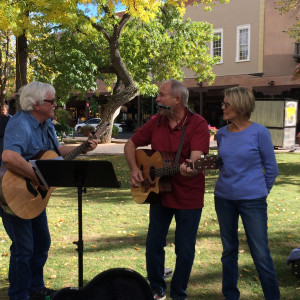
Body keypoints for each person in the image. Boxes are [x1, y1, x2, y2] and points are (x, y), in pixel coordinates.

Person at [0, 81, 98, 300]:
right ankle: (19, 295)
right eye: (51, 101)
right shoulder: (20, 124)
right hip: (13, 192)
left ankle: (35, 287)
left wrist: (82, 148)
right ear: (36, 104)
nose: (56, 104)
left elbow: (56, 152)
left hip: (36, 195)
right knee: (24, 248)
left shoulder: (46, 123)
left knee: (42, 243)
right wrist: (38, 177)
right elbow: (9, 156)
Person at [124, 79, 210, 300]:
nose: (157, 99)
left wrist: (189, 168)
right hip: (159, 193)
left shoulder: (198, 124)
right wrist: (135, 169)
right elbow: (130, 144)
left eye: (162, 95)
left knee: (184, 249)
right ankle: (156, 288)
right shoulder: (157, 122)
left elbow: (195, 161)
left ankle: (178, 292)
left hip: (188, 195)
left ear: (177, 100)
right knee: (154, 243)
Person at [214, 86, 280, 300]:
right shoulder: (222, 134)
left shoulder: (260, 132)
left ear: (240, 106)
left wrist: (260, 192)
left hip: (253, 202)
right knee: (229, 251)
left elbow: (272, 169)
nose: (222, 107)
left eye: (226, 104)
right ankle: (230, 295)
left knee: (260, 254)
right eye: (223, 103)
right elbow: (224, 163)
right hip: (223, 199)